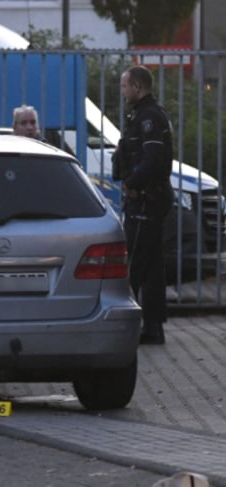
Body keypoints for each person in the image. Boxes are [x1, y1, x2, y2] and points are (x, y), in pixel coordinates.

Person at [113, 64, 174, 345]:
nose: (123, 91)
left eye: (125, 86)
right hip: (149, 198)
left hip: (146, 200)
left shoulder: (149, 117)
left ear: (138, 86)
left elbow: (152, 160)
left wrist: (132, 184)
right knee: (151, 266)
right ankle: (152, 327)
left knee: (134, 263)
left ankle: (118, 327)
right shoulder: (144, 114)